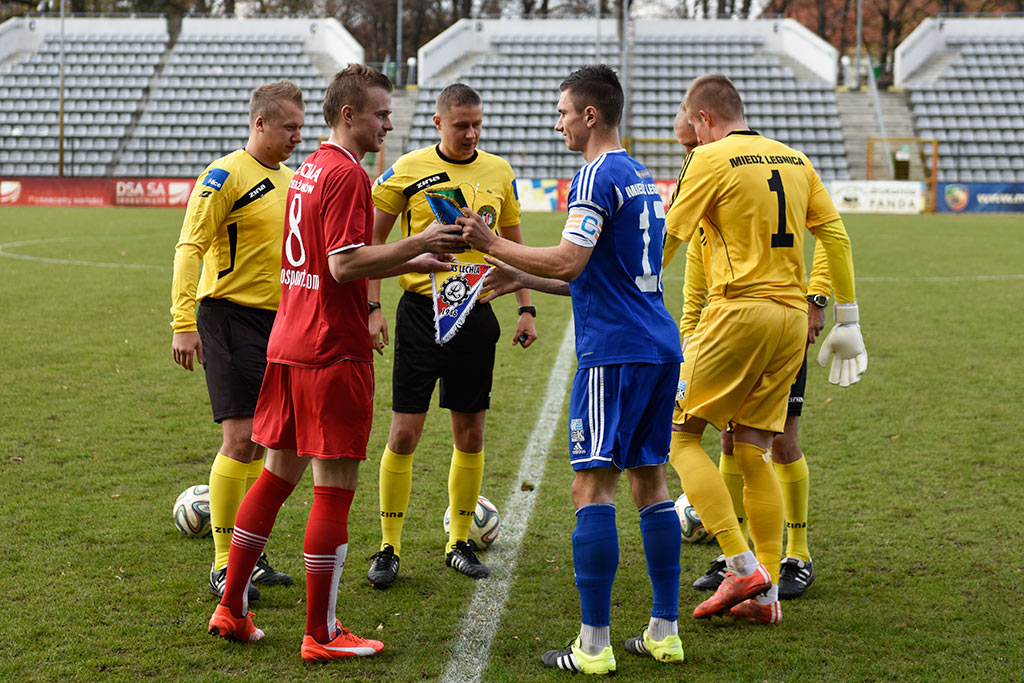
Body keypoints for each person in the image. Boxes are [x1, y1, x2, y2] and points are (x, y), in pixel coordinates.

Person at [205, 64, 465, 662]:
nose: (389, 124)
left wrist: (401, 262)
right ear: (349, 115)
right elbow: (344, 265)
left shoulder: (307, 170)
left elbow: (332, 259)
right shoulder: (347, 174)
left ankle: (233, 606)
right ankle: (321, 633)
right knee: (334, 488)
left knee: (275, 476)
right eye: (380, 114)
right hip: (331, 349)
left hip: (288, 342)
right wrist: (421, 243)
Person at [460, 65, 685, 676]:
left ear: (590, 115)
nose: (557, 122)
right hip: (658, 344)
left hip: (614, 352)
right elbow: (596, 274)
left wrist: (490, 243)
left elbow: (569, 257)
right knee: (651, 481)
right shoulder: (639, 175)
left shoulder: (593, 173)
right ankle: (664, 631)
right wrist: (524, 277)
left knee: (592, 486)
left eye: (563, 113)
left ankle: (593, 645)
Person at [663, 74, 866, 626]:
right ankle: (766, 594)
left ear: (703, 118)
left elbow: (669, 240)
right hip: (791, 322)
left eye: (691, 129)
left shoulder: (710, 160)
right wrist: (846, 315)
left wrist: (622, 286)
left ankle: (740, 561)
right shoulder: (796, 161)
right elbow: (837, 238)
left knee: (677, 437)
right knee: (752, 450)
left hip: (737, 312)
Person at [365, 83, 537, 587]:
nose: (471, 133)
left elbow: (512, 242)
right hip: (419, 312)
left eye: (477, 123)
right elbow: (375, 241)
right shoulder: (407, 169)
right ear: (438, 123)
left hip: (476, 310)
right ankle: (388, 547)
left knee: (471, 432)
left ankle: (458, 541)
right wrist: (373, 306)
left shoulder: (499, 171)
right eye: (461, 124)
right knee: (404, 433)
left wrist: (526, 308)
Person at [672, 110, 828, 601]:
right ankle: (752, 571)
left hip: (767, 316)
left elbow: (829, 236)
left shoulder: (749, 171)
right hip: (744, 326)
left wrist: (818, 297)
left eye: (691, 143)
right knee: (737, 444)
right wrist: (688, 340)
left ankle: (794, 554)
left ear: (705, 124)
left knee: (777, 442)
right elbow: (694, 285)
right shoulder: (710, 197)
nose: (689, 157)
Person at [170, 80, 305, 602]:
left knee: (267, 441)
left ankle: (250, 552)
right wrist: (183, 321)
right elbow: (189, 247)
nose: (298, 135)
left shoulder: (293, 180)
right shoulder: (225, 174)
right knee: (242, 437)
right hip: (227, 316)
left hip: (280, 322)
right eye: (289, 126)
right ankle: (225, 563)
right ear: (260, 123)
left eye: (300, 126)